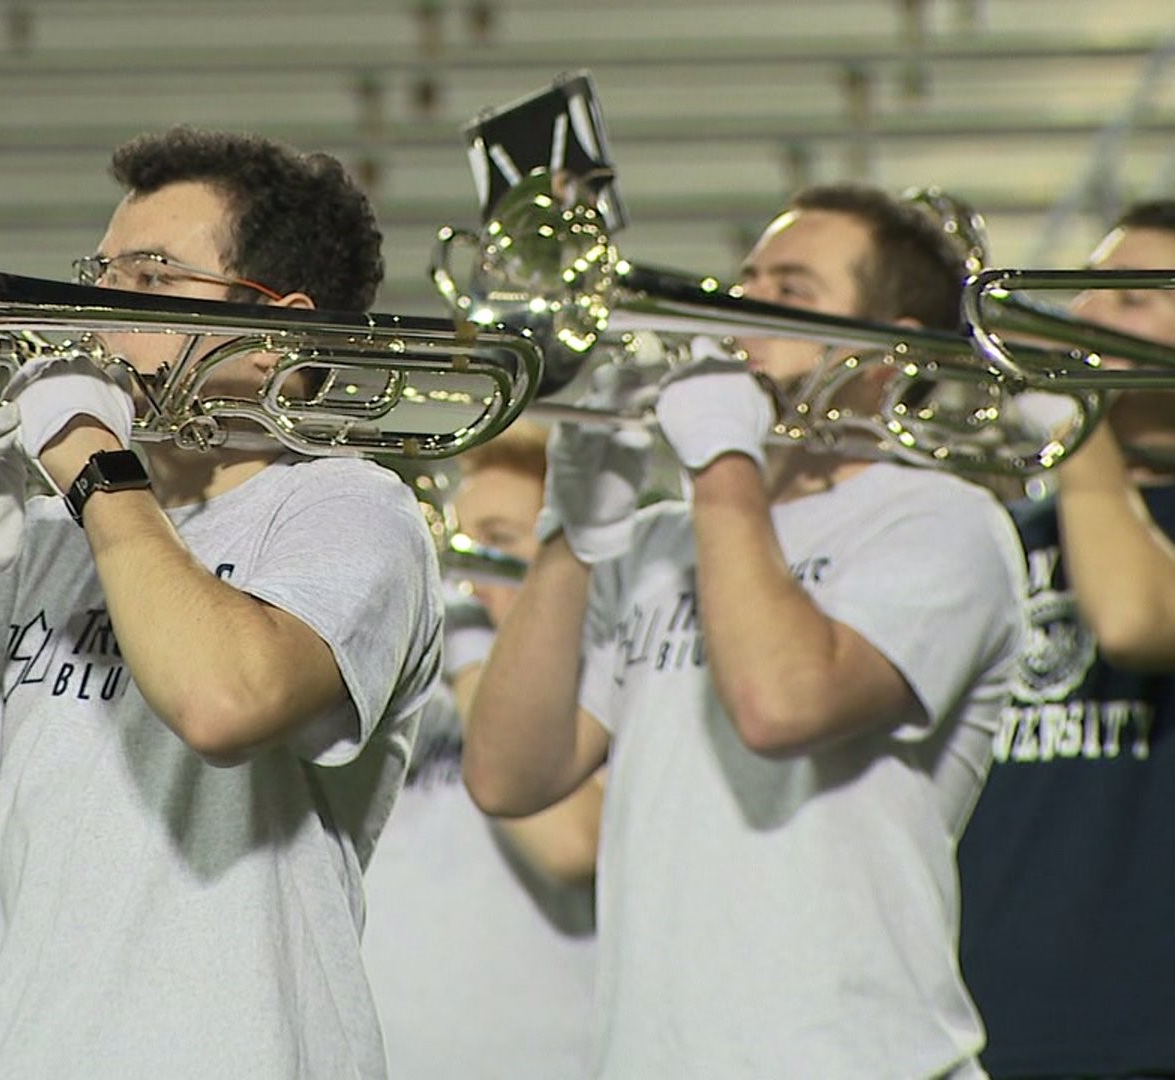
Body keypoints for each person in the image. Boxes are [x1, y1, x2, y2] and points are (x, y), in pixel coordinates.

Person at [0, 126, 443, 1078]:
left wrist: (94, 464)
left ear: (275, 340)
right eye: (102, 269)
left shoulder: (349, 506)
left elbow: (225, 701)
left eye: (153, 277)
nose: (95, 305)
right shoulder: (57, 534)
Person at [464, 183, 1025, 1076]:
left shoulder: (943, 523)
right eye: (747, 277)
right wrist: (573, 529)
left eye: (792, 290)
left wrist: (723, 457)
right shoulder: (661, 540)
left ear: (893, 349)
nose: (737, 308)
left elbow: (780, 704)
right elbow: (507, 774)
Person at [958, 199, 1175, 1078]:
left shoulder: (1081, 487)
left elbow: (1131, 621)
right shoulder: (1007, 525)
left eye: (1128, 298)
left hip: (1145, 1037)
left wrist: (1075, 413)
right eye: (1087, 291)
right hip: (978, 1028)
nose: (1084, 315)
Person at [359, 421, 599, 1080]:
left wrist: (472, 656)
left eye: (495, 543)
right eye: (456, 542)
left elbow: (571, 844)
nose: (462, 572)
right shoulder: (420, 683)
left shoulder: (600, 681)